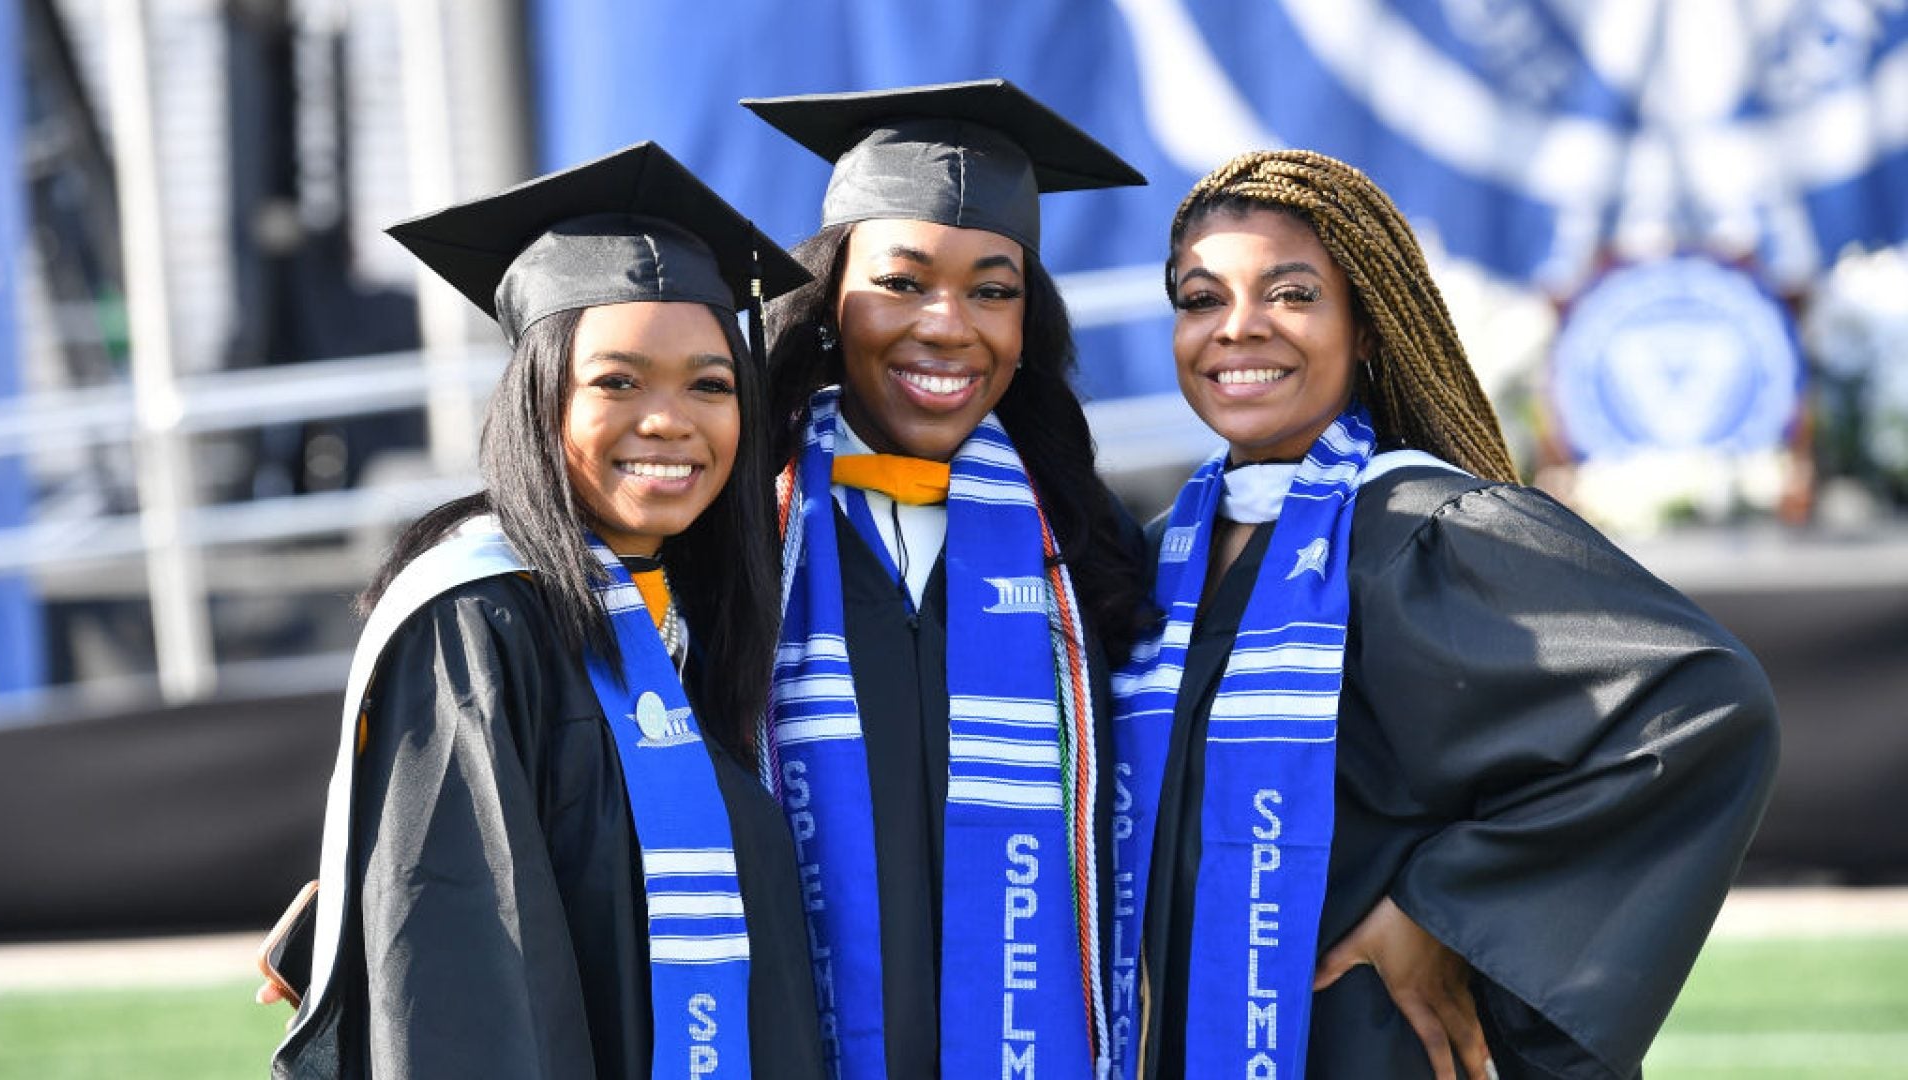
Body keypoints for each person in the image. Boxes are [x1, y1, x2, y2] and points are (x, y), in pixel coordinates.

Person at [1111, 149, 1780, 1080]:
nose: (1238, 328)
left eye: (1292, 294)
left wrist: (1441, 910)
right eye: (1200, 299)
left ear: (1369, 325)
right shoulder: (1162, 554)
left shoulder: (1426, 528)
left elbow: (1699, 704)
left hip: (1369, 1049)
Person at [266, 143, 824, 1080]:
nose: (669, 418)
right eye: (617, 380)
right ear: (539, 397)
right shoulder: (476, 623)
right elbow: (461, 976)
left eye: (711, 383)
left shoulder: (702, 614)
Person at [740, 80, 1155, 1078]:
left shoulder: (1088, 558)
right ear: (831, 303)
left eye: (993, 289)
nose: (948, 325)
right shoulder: (738, 539)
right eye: (904, 282)